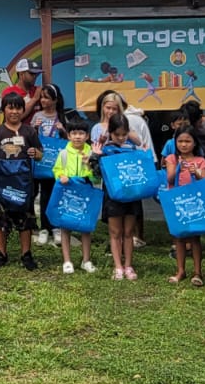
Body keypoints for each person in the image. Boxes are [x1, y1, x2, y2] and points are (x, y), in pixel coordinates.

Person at [92, 90, 152, 250]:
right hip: (111, 178)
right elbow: (95, 152)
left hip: (129, 177)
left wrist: (129, 133)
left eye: (114, 108)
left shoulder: (125, 125)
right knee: (113, 212)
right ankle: (114, 244)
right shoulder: (98, 128)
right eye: (108, 108)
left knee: (130, 210)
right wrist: (103, 140)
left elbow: (138, 142)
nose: (110, 111)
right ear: (102, 108)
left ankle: (131, 240)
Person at [0, 92, 43, 271]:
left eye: (18, 108)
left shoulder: (29, 131)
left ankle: (26, 254)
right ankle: (1, 253)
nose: (14, 111)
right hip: (2, 183)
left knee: (25, 220)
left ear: (23, 110)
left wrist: (36, 154)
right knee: (1, 220)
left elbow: (40, 154)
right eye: (10, 107)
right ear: (4, 109)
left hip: (24, 183)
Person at [98, 113, 145, 280]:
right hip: (113, 196)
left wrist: (138, 143)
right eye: (116, 134)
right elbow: (97, 174)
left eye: (123, 134)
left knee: (128, 232)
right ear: (110, 132)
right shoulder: (105, 150)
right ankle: (118, 266)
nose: (120, 138)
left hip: (131, 195)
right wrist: (96, 156)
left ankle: (128, 265)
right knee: (115, 232)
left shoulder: (132, 148)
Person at [52, 115, 98, 274]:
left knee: (86, 228)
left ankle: (86, 260)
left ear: (87, 136)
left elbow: (97, 178)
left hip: (85, 193)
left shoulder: (91, 153)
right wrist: (60, 176)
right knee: (66, 227)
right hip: (68, 193)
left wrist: (90, 166)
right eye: (74, 133)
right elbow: (57, 170)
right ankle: (67, 261)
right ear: (68, 135)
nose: (77, 136)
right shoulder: (64, 153)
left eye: (81, 133)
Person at [164, 126, 205, 285]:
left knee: (195, 238)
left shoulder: (201, 161)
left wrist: (195, 172)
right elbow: (169, 179)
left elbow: (204, 182)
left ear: (195, 143)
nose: (184, 145)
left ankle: (198, 272)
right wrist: (178, 169)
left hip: (194, 204)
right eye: (180, 141)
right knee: (179, 237)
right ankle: (180, 270)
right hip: (177, 202)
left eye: (188, 141)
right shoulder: (172, 159)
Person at [30, 84, 67, 246]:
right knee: (44, 194)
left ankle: (57, 228)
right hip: (43, 162)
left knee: (58, 193)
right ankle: (44, 228)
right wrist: (35, 128)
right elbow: (30, 137)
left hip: (59, 163)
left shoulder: (63, 117)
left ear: (55, 100)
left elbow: (71, 140)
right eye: (42, 97)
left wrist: (63, 131)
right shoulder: (37, 115)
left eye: (47, 97)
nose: (43, 100)